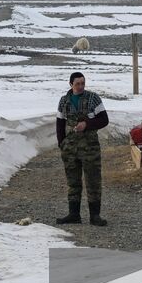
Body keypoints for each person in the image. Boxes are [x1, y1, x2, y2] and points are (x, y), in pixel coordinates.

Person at [55, 71, 109, 226]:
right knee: (73, 182)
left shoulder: (93, 98)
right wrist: (62, 144)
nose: (80, 86)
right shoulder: (64, 101)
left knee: (93, 181)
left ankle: (95, 216)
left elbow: (104, 120)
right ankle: (74, 214)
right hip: (70, 150)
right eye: (77, 83)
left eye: (83, 83)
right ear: (70, 84)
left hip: (90, 149)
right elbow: (59, 123)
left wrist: (87, 125)